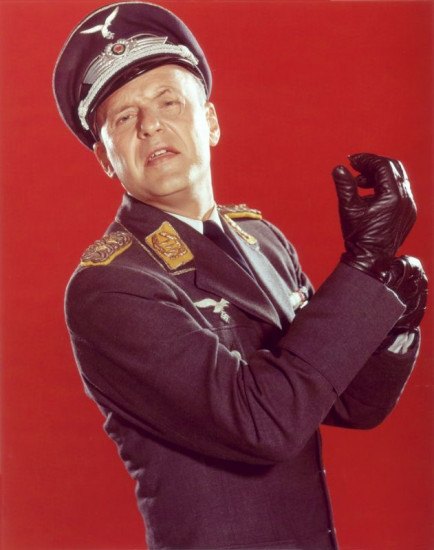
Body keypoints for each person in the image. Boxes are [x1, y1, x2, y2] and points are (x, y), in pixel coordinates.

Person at [53, 2, 427, 549]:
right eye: (124, 118)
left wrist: (391, 315)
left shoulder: (263, 240)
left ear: (210, 121)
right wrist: (363, 271)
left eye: (168, 101)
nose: (150, 124)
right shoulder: (110, 286)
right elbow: (263, 422)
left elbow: (349, 403)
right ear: (106, 159)